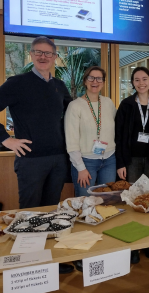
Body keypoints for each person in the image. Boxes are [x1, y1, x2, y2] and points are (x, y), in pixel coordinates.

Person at [0, 36, 74, 274]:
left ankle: (49, 261)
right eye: (38, 52)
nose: (43, 57)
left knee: (51, 211)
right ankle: (30, 266)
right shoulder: (17, 83)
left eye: (48, 53)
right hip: (31, 160)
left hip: (58, 159)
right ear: (31, 55)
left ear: (54, 57)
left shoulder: (59, 86)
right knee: (29, 212)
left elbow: (72, 115)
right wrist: (6, 139)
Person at [114, 66, 149, 264]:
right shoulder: (126, 105)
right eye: (137, 80)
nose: (141, 83)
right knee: (132, 202)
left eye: (144, 79)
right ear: (132, 83)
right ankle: (133, 247)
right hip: (132, 161)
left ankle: (148, 244)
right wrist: (120, 163)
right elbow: (119, 138)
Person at [65, 66, 116, 197]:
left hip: (109, 160)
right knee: (85, 203)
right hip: (86, 162)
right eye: (91, 78)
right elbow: (71, 141)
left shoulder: (108, 103)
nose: (95, 81)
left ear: (103, 82)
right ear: (85, 81)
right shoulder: (75, 106)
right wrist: (80, 168)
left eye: (99, 78)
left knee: (107, 201)